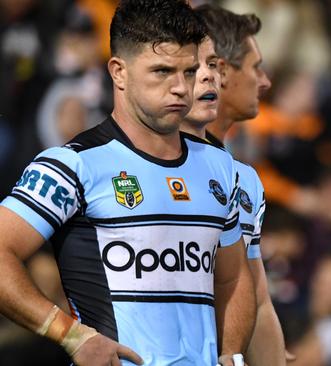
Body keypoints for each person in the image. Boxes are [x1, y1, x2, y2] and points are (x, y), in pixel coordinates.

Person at [0, 1, 256, 365]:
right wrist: (69, 334)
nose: (181, 88)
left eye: (188, 71)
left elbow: (233, 278)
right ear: (118, 72)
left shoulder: (220, 167)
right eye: (162, 71)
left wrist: (231, 353)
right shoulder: (73, 164)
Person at [187, 5, 288, 366]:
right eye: (256, 66)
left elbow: (258, 301)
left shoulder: (244, 178)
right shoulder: (141, 161)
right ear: (222, 72)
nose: (265, 81)